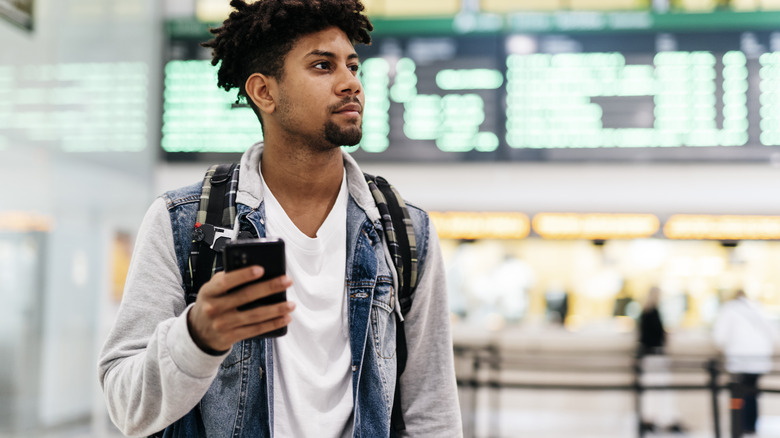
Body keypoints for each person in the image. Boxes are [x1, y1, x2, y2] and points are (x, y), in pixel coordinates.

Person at [97, 1, 462, 437]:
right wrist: (196, 337)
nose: (351, 84)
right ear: (264, 92)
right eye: (323, 66)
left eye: (353, 66)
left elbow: (433, 412)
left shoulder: (404, 232)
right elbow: (126, 406)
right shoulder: (183, 223)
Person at [714, 289, 778, 436]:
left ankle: (739, 425)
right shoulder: (758, 308)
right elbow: (774, 334)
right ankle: (751, 425)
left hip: (739, 360)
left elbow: (719, 338)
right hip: (759, 359)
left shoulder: (729, 310)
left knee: (738, 394)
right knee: (752, 393)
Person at [636, 286, 684, 434]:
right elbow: (655, 335)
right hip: (654, 355)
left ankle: (653, 419)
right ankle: (656, 419)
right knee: (658, 389)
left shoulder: (646, 313)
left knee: (653, 389)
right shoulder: (652, 313)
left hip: (649, 355)